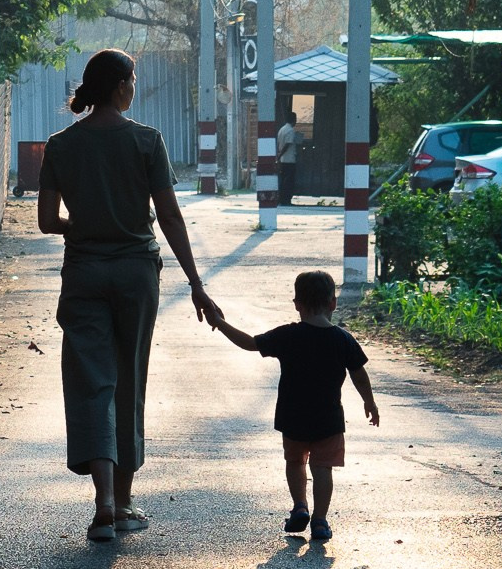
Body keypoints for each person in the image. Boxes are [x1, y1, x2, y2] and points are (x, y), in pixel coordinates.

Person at [37, 49, 219, 542]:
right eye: (133, 80)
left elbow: (47, 221)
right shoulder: (146, 141)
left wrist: (89, 225)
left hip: (83, 274)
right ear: (121, 87)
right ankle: (124, 503)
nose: (134, 87)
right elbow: (171, 217)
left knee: (91, 383)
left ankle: (102, 506)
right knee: (128, 381)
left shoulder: (60, 145)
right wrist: (197, 286)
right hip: (137, 273)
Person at [207, 270, 379, 543]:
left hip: (293, 417)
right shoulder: (343, 339)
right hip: (328, 419)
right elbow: (359, 373)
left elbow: (250, 343)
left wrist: (220, 323)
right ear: (333, 303)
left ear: (297, 303)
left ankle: (300, 506)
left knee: (295, 461)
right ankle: (320, 521)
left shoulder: (288, 335)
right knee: (323, 469)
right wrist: (369, 402)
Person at [275, 112, 300, 204]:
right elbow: (287, 144)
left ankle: (282, 199)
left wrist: (278, 155)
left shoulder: (281, 130)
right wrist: (280, 154)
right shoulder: (290, 131)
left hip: (283, 160)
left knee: (283, 179)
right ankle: (286, 199)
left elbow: (279, 144)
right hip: (289, 159)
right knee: (289, 181)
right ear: (294, 120)